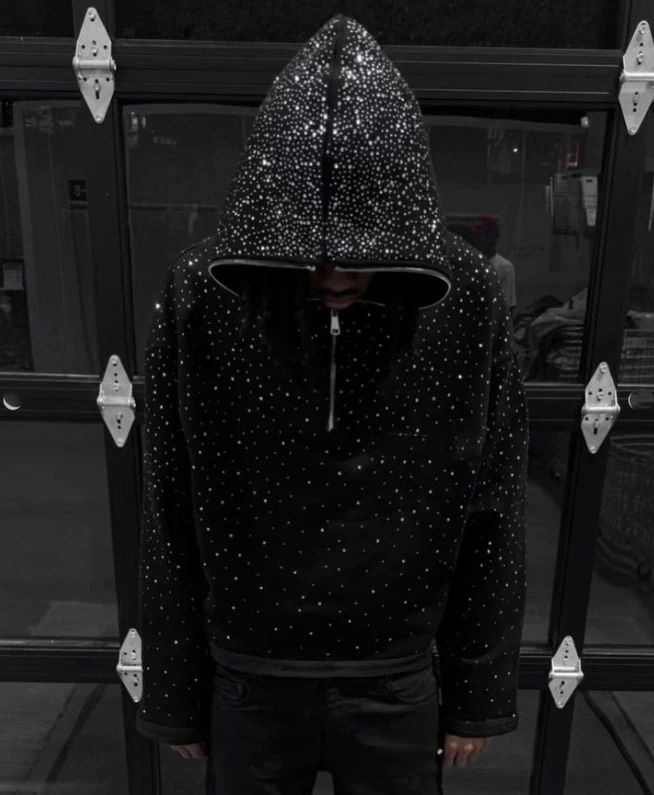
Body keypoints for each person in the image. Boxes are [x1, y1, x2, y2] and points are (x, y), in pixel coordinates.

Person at [136, 14, 529, 795]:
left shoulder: (466, 294)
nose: (336, 276)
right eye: (312, 259)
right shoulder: (205, 291)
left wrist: (478, 691)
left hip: (396, 673)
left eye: (359, 255)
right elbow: (169, 494)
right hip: (248, 673)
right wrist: (176, 694)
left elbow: (493, 501)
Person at [469, 215, 517, 320]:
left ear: (493, 238)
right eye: (476, 236)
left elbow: (507, 306)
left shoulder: (504, 267)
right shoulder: (469, 263)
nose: (478, 240)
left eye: (483, 236)